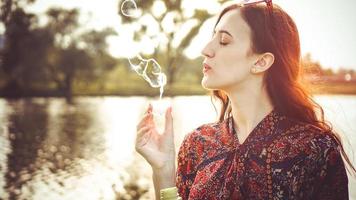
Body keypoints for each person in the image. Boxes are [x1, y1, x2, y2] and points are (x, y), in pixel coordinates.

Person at [135, 0, 355, 199]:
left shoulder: (315, 149)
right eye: (213, 37)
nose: (205, 50)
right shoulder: (197, 143)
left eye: (223, 41)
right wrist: (163, 172)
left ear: (261, 62)